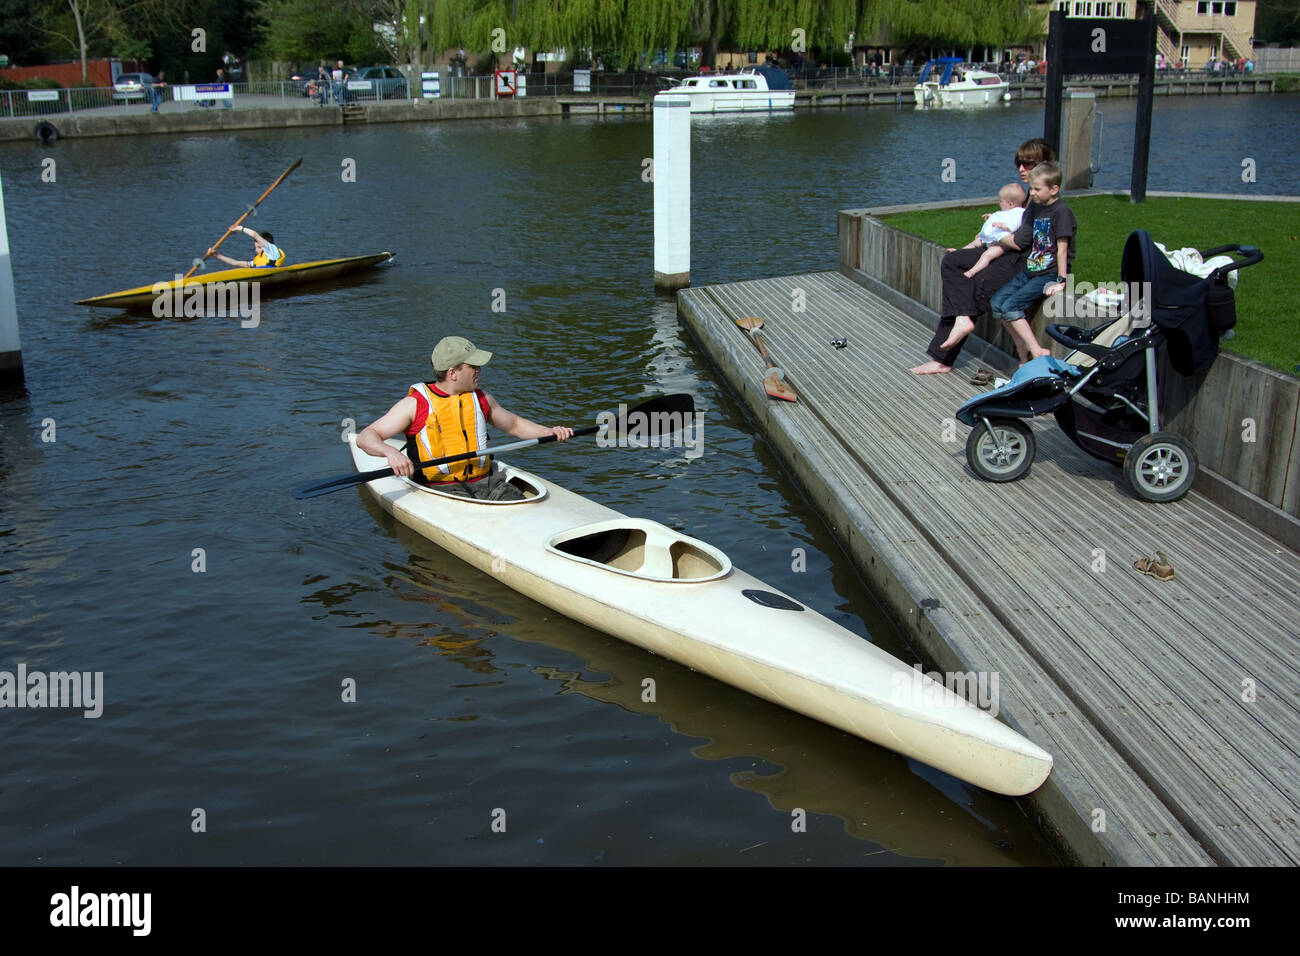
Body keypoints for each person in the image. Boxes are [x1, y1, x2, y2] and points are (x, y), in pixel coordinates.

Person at [355, 336, 575, 501]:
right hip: (440, 489)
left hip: (489, 483)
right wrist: (390, 452)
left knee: (520, 505)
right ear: (453, 373)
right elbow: (366, 437)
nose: (479, 370)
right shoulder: (415, 404)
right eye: (473, 366)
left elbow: (515, 425)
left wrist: (549, 432)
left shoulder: (481, 399)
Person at [910, 137, 1055, 374]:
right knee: (952, 262)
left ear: (1044, 164)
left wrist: (995, 232)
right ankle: (958, 328)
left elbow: (1020, 243)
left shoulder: (1042, 200)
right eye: (1019, 162)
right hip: (1006, 252)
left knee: (975, 286)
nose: (1021, 168)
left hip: (1021, 262)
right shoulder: (1029, 196)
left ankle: (943, 357)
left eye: (1028, 163)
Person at [990, 160, 1076, 364]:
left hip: (1049, 273)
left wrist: (1061, 280)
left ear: (1054, 189)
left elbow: (1063, 248)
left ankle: (1036, 351)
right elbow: (1025, 233)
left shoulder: (1061, 212)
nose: (1033, 193)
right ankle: (1020, 343)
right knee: (997, 302)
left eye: (1037, 189)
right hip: (1032, 269)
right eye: (1031, 188)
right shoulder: (1037, 207)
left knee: (1011, 307)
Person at [960, 183, 1027, 279]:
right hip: (993, 238)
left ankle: (972, 271)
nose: (999, 203)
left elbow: (1014, 225)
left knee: (987, 255)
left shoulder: (1019, 213)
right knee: (976, 242)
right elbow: (1001, 216)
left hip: (1002, 244)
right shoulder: (1007, 210)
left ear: (1010, 204)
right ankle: (960, 252)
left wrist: (1003, 226)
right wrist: (991, 216)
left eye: (1000, 201)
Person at [206, 225, 285, 268]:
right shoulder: (256, 261)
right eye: (256, 247)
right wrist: (217, 255)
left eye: (259, 247)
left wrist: (240, 228)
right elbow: (235, 263)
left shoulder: (272, 251)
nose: (256, 250)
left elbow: (255, 235)